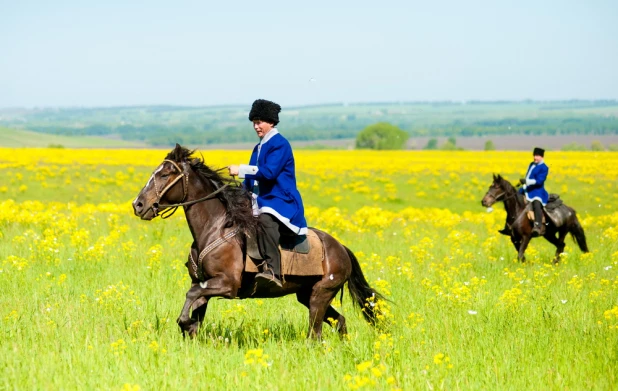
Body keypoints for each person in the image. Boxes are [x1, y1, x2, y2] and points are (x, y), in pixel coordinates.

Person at [228, 99, 307, 289]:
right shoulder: (259, 147)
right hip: (262, 199)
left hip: (281, 201)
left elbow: (269, 173)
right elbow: (250, 182)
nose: (256, 127)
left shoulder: (280, 144)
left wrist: (241, 170)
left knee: (265, 220)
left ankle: (274, 271)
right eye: (254, 123)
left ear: (271, 122)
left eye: (259, 122)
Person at [518, 147, 549, 237]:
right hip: (527, 188)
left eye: (537, 156)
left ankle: (538, 225)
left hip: (537, 190)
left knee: (536, 203)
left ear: (542, 157)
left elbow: (539, 181)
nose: (535, 157)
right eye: (534, 155)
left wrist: (527, 181)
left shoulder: (544, 167)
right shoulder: (531, 164)